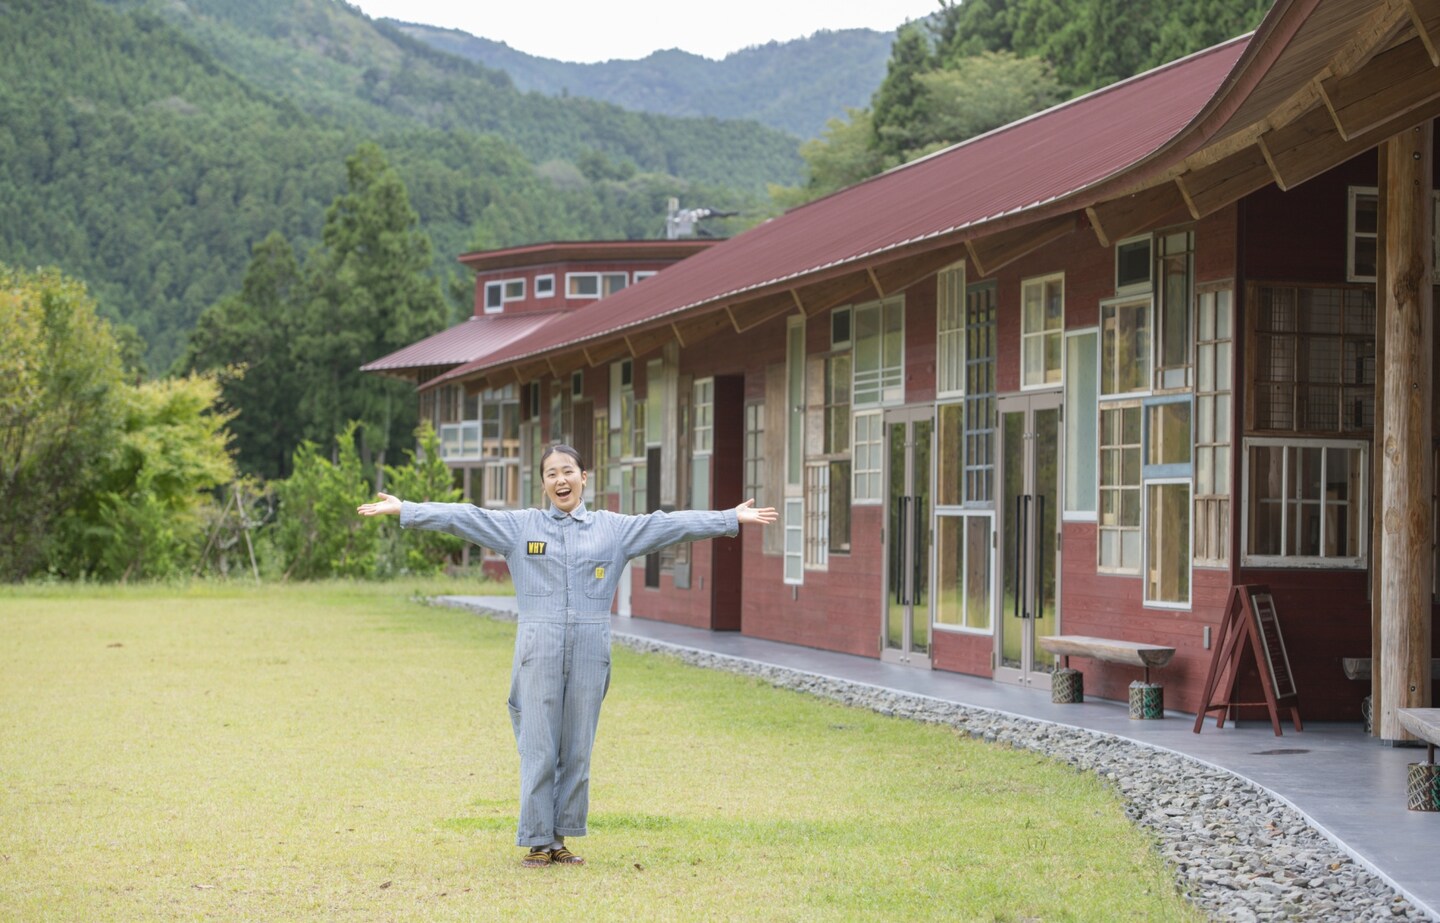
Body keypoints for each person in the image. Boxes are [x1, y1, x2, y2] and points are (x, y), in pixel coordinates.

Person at [357, 443, 776, 868]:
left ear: (584, 478)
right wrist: (406, 508)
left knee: (577, 748)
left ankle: (560, 839)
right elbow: (465, 516)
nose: (561, 480)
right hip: (538, 645)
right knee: (539, 745)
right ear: (542, 484)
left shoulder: (612, 529)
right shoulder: (520, 528)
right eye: (552, 474)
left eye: (568, 471)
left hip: (592, 647)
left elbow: (666, 525)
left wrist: (728, 518)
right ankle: (537, 839)